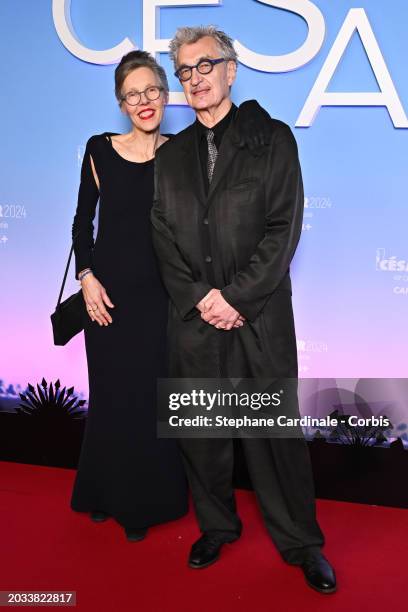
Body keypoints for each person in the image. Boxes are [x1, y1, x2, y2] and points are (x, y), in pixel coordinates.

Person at [151, 26, 337, 593]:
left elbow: (284, 227)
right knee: (203, 432)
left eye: (205, 66)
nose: (194, 79)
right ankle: (216, 527)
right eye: (184, 71)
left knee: (273, 436)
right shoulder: (171, 153)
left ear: (231, 69)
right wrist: (199, 297)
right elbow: (160, 228)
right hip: (193, 318)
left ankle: (302, 543)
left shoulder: (272, 138)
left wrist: (236, 298)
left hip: (258, 318)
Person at [70, 50, 271, 542]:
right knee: (113, 399)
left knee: (153, 400)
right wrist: (87, 276)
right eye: (133, 94)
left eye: (152, 90)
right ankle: (102, 491)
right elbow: (82, 223)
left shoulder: (182, 151)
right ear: (122, 103)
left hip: (165, 298)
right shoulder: (98, 149)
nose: (144, 101)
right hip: (108, 300)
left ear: (166, 95)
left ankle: (145, 502)